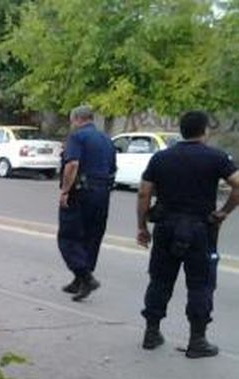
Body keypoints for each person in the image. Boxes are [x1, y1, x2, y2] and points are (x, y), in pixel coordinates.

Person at [136, 111, 239, 358]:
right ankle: (197, 339)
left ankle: (151, 332)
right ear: (205, 130)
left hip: (166, 227)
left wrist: (142, 227)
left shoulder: (161, 158)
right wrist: (224, 212)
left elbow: (143, 193)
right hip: (200, 229)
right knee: (201, 284)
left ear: (181, 131)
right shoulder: (216, 157)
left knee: (160, 280)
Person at [57, 105, 117, 301]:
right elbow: (112, 167)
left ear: (76, 119)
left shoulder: (77, 137)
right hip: (102, 193)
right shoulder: (107, 140)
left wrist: (66, 190)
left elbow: (72, 164)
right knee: (92, 236)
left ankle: (85, 277)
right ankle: (79, 280)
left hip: (81, 192)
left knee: (68, 236)